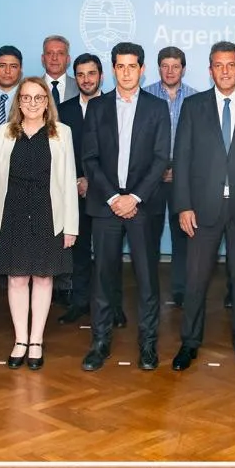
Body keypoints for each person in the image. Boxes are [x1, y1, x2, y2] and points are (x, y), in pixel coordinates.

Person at [172, 41, 235, 372]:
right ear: (210, 70)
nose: (226, 71)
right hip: (202, 208)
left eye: (231, 65)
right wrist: (183, 205)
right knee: (196, 279)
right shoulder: (194, 106)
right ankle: (189, 342)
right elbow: (182, 158)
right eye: (219, 65)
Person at [80, 42, 170, 371]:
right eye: (121, 66)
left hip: (142, 206)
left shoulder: (157, 108)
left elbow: (161, 158)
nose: (127, 72)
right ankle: (100, 343)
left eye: (133, 66)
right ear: (114, 69)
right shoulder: (97, 107)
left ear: (142, 69)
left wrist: (134, 198)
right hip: (106, 206)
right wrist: (113, 198)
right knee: (103, 278)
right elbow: (89, 158)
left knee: (147, 279)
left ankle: (147, 344)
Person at [0, 77, 78, 370]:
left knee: (43, 277)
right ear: (19, 102)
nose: (32, 103)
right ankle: (20, 340)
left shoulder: (62, 133)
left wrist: (71, 227)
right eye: (26, 97)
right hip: (11, 213)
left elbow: (69, 182)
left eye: (39, 97)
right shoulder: (3, 133)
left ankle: (36, 340)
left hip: (48, 213)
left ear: (47, 102)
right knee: (16, 278)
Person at [142, 46, 196, 310]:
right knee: (148, 236)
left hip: (184, 176)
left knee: (182, 236)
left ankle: (181, 290)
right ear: (158, 68)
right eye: (165, 66)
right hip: (150, 176)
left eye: (175, 66)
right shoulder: (145, 95)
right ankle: (148, 288)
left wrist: (179, 169)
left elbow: (200, 142)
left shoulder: (196, 98)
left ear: (183, 69)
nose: (170, 71)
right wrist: (158, 169)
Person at [55, 53, 104, 324]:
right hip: (73, 192)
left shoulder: (114, 106)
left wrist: (92, 181)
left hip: (107, 192)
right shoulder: (63, 110)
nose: (86, 79)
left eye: (91, 73)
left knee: (107, 253)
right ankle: (80, 302)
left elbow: (117, 152)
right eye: (81, 74)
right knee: (79, 250)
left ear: (101, 76)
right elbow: (58, 152)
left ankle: (111, 306)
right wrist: (76, 181)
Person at [41, 34, 73, 103]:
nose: (54, 58)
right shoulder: (32, 87)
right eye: (49, 53)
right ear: (43, 58)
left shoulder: (79, 87)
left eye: (60, 53)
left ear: (68, 59)